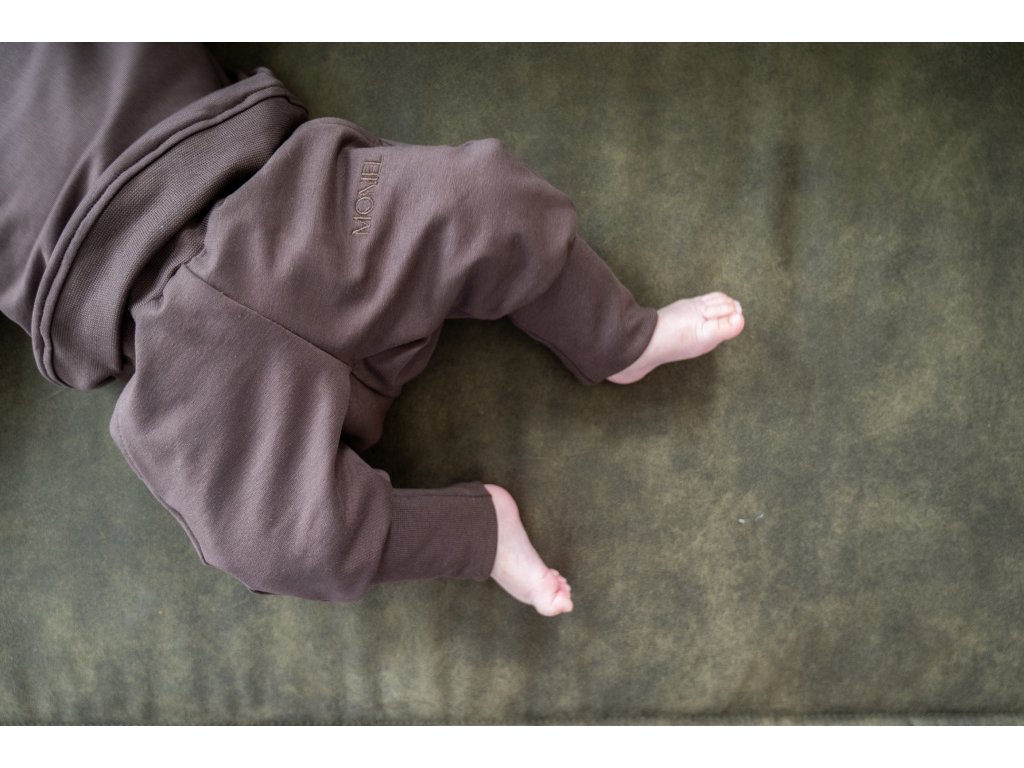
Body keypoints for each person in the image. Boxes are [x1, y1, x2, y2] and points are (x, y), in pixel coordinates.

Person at [0, 43, 743, 618]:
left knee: (481, 199)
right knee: (266, 538)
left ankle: (617, 339)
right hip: (162, 344)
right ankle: (479, 534)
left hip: (272, 202)